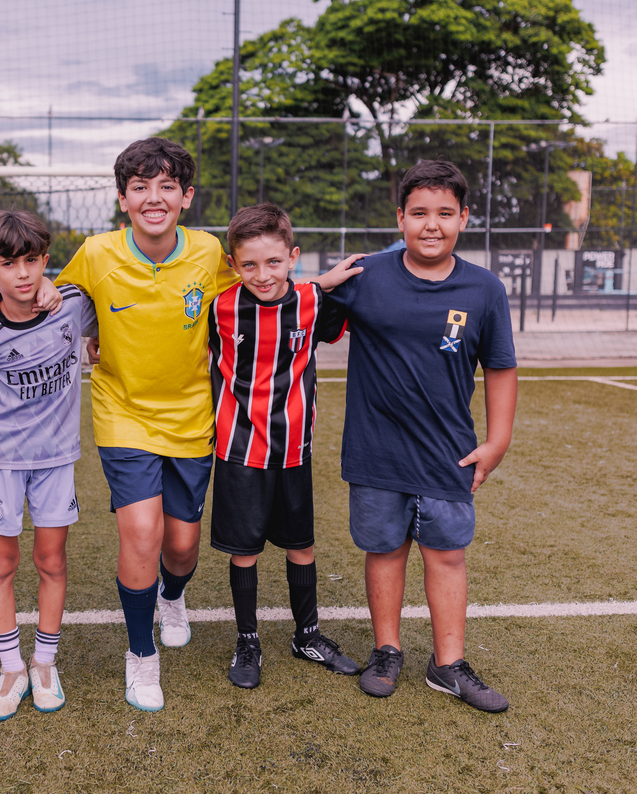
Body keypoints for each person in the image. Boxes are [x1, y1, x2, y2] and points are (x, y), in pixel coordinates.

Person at [325, 159, 517, 712]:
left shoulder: (484, 289)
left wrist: (498, 440)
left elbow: (501, 368)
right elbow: (297, 318)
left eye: (445, 214)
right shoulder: (366, 276)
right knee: (384, 550)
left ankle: (447, 664)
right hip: (375, 450)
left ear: (463, 219)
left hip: (448, 453)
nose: (431, 225)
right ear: (401, 218)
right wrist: (319, 284)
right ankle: (387, 651)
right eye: (419, 213)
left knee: (447, 554)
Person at [56, 137, 239, 711]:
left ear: (186, 197)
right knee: (141, 534)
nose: (153, 198)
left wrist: (319, 289)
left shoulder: (210, 253)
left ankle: (173, 595)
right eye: (140, 187)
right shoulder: (96, 252)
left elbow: (259, 294)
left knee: (181, 546)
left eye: (166, 187)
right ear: (122, 198)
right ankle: (141, 656)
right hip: (122, 412)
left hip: (191, 416)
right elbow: (40, 294)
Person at [208, 203, 364, 688]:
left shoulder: (312, 301)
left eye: (274, 262)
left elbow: (348, 297)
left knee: (302, 544)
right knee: (245, 551)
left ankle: (307, 634)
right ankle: (248, 639)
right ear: (233, 266)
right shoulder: (219, 307)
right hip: (239, 450)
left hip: (295, 448)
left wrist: (327, 281)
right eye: (249, 264)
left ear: (292, 257)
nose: (263, 274)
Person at [0, 210, 96, 721]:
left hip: (57, 460)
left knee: (51, 561)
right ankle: (10, 667)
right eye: (9, 263)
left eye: (33, 261)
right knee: (1, 564)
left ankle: (44, 663)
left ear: (46, 260)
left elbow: (104, 315)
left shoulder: (72, 305)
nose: (23, 273)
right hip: (1, 462)